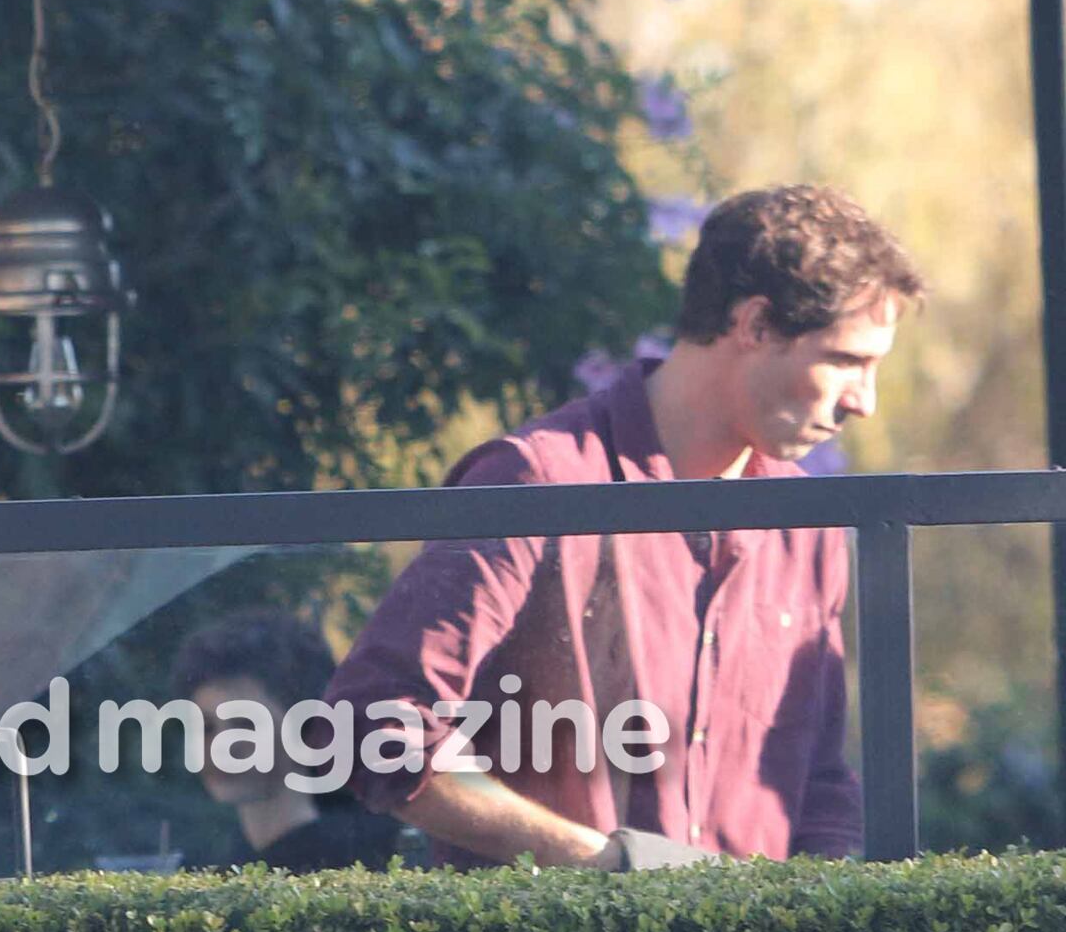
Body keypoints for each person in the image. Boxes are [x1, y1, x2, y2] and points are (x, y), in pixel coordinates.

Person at [323, 184, 926, 871]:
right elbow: (374, 726)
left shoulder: (807, 526)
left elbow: (820, 788)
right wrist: (608, 866)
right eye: (848, 360)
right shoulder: (538, 480)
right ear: (755, 324)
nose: (866, 402)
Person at [172, 609, 398, 872]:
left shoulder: (357, 869)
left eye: (247, 725)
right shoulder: (205, 868)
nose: (223, 747)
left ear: (306, 727)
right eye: (207, 727)